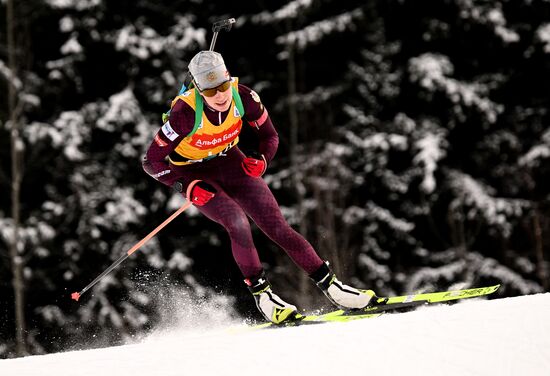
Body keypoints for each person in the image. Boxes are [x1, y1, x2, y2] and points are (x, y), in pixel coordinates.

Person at [142, 51, 376, 324]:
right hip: (194, 172)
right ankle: (264, 297)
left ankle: (334, 288)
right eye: (210, 91)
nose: (220, 95)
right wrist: (186, 184)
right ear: (198, 89)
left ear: (229, 78)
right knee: (237, 222)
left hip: (230, 162)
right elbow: (152, 161)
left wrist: (263, 160)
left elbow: (270, 136)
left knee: (278, 227)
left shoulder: (244, 97)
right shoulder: (184, 114)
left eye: (223, 86)